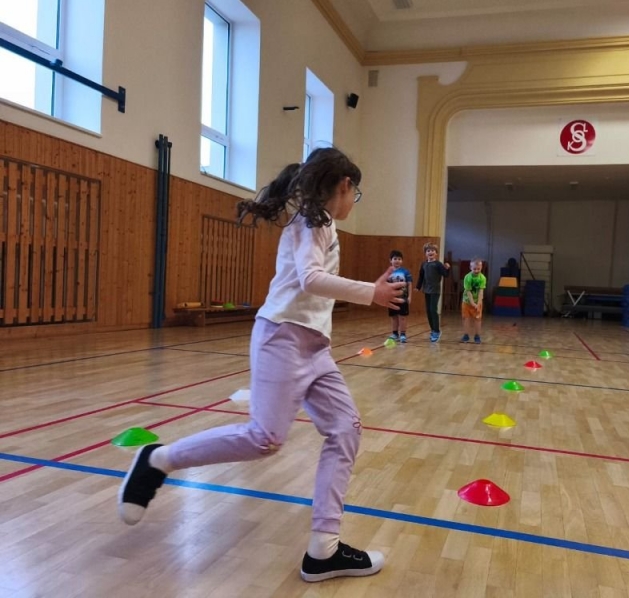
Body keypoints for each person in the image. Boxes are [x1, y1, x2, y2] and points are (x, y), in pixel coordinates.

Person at [117, 148, 405, 583]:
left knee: (345, 429)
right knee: (264, 438)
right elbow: (310, 278)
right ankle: (158, 459)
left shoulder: (320, 221)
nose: (353, 202)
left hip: (314, 347)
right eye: (355, 194)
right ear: (345, 185)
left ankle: (323, 549)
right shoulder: (312, 220)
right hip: (282, 338)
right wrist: (372, 292)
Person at [415, 243, 450, 342]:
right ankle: (433, 330)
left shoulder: (438, 264)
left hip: (435, 290)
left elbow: (445, 275)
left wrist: (447, 268)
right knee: (428, 310)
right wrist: (418, 287)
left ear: (436, 253)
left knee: (433, 310)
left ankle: (436, 331)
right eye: (428, 251)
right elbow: (421, 276)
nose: (430, 252)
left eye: (432, 250)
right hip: (426, 290)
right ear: (425, 253)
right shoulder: (424, 264)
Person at [387, 250, 413, 343]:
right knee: (394, 316)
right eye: (395, 259)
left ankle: (403, 334)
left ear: (402, 261)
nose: (397, 261)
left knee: (402, 317)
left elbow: (409, 284)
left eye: (399, 259)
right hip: (392, 298)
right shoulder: (388, 273)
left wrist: (409, 297)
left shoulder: (405, 272)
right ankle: (395, 333)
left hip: (402, 298)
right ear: (390, 260)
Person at [461, 258, 486, 344]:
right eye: (474, 269)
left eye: (478, 269)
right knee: (466, 318)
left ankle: (477, 336)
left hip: (477, 302)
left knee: (477, 319)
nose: (476, 270)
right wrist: (472, 303)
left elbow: (481, 291)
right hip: (467, 301)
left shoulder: (482, 278)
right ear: (470, 268)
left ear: (481, 268)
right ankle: (466, 335)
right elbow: (468, 292)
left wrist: (478, 303)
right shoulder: (467, 277)